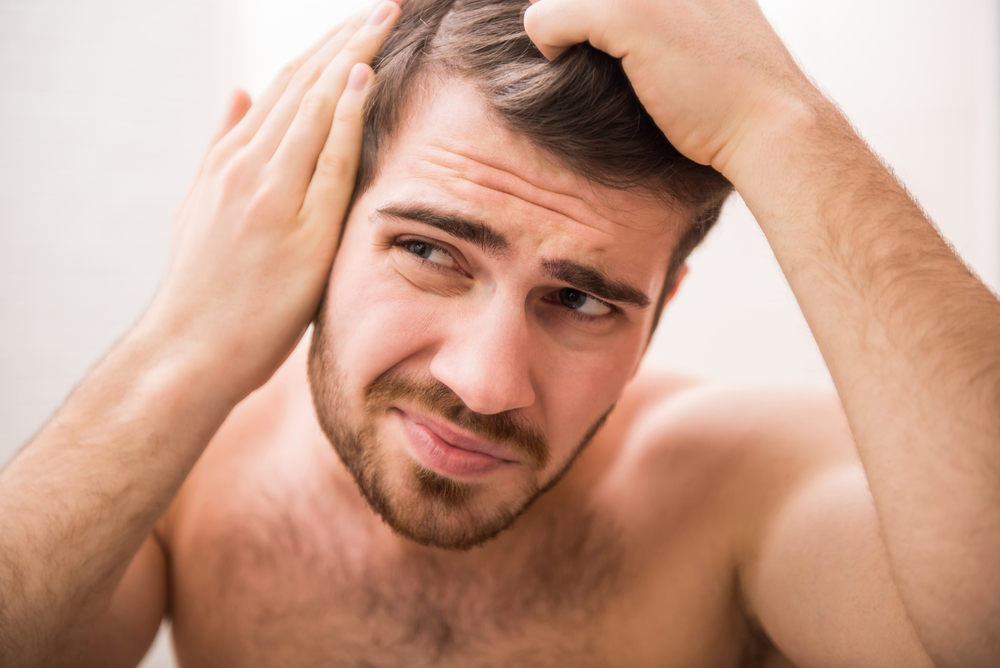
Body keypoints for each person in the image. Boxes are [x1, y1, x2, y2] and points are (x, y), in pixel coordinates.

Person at [1, 0, 997, 665]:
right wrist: (183, 339)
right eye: (432, 251)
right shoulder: (179, 478)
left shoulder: (738, 493)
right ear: (286, 208)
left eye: (580, 300)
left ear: (663, 306)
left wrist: (780, 123)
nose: (484, 385)